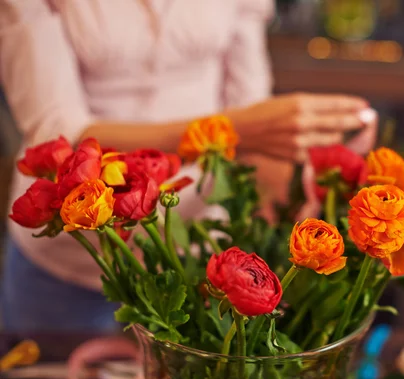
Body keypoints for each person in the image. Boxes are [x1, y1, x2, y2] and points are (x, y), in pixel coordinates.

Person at [0, 0, 376, 332]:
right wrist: (234, 131)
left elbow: (249, 99)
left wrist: (279, 213)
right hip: (72, 252)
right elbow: (57, 129)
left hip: (199, 238)